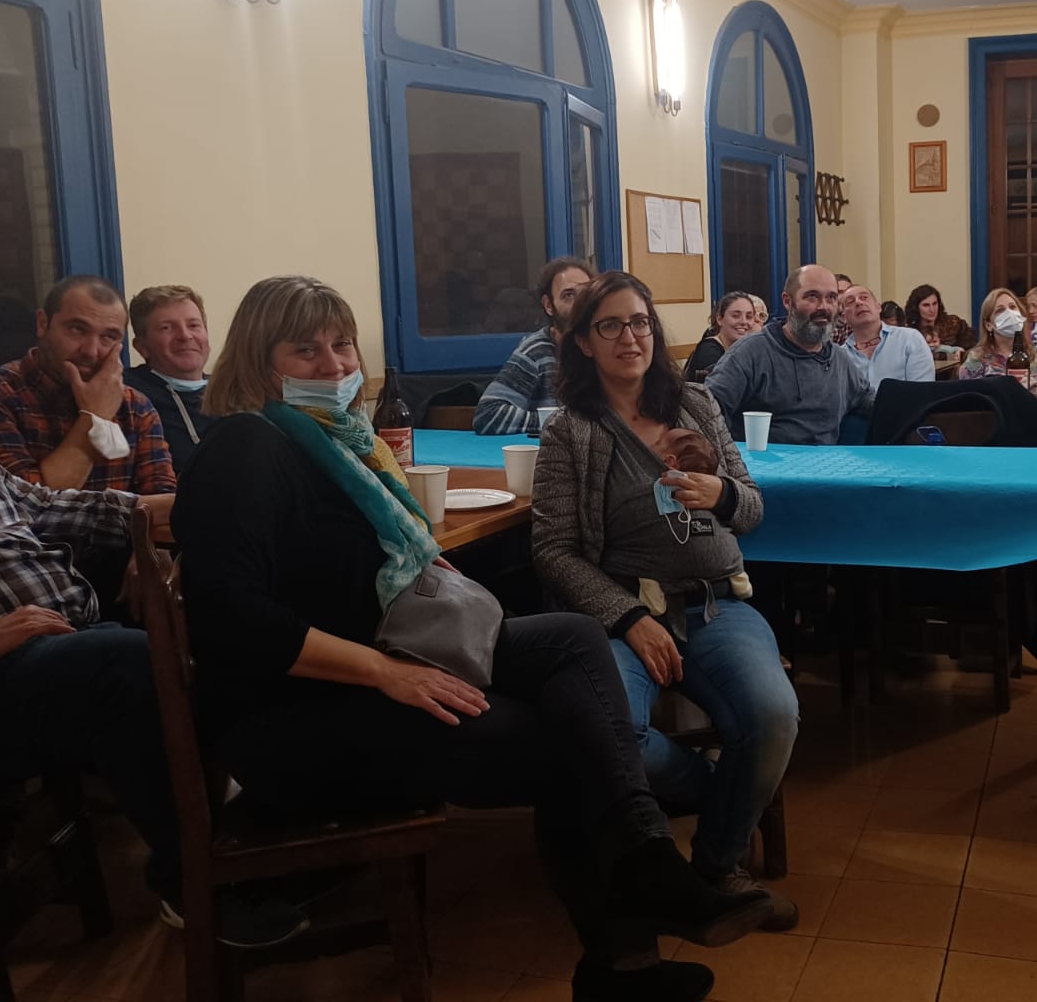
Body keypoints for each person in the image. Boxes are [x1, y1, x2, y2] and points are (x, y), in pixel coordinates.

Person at [174, 275, 770, 1000]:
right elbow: (230, 622)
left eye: (341, 345)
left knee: (575, 642)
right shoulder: (245, 448)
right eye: (305, 351)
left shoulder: (336, 444)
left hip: (383, 654)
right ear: (256, 360)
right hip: (297, 712)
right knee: (564, 738)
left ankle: (648, 855)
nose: (333, 366)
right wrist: (386, 673)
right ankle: (624, 960)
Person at [532, 270, 800, 931]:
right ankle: (723, 792)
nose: (631, 336)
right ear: (584, 344)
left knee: (772, 715)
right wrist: (628, 619)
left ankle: (716, 864)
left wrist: (723, 494)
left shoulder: (697, 404)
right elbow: (554, 550)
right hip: (627, 618)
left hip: (717, 605)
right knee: (617, 736)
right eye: (611, 325)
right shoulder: (571, 431)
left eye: (641, 322)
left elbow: (753, 509)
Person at [0, 447, 308, 947]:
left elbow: (47, 507)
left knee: (221, 617)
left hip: (62, 637)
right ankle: (193, 886)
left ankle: (274, 833)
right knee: (125, 664)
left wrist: (195, 508)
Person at [0, 275, 175, 496]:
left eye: (108, 337)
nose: (91, 351)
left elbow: (162, 512)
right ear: (42, 324)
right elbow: (22, 509)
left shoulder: (137, 408)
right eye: (77, 329)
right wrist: (95, 419)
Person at [705, 265, 875, 446]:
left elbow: (868, 401)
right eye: (812, 296)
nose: (823, 307)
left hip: (827, 468)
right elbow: (707, 411)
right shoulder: (750, 353)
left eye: (831, 298)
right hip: (762, 469)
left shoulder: (840, 360)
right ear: (787, 301)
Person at [474, 257, 594, 436]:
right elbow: (488, 415)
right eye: (568, 295)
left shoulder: (609, 346)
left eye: (586, 294)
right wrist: (561, 423)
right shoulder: (537, 351)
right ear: (549, 306)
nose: (579, 304)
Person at [123, 284, 221, 472]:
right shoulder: (126, 392)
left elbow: (293, 392)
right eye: (167, 328)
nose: (185, 336)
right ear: (141, 346)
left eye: (194, 325)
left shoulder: (234, 386)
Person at [960, 289, 1037, 398]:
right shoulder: (976, 358)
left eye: (1013, 307)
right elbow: (967, 401)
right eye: (1000, 310)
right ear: (988, 325)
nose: (1009, 313)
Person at [839, 284, 933, 388]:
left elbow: (922, 392)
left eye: (864, 297)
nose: (858, 302)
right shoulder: (840, 357)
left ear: (878, 307)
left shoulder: (910, 339)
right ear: (844, 318)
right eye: (850, 301)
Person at [683, 292, 757, 383]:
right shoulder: (709, 350)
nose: (744, 321)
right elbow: (729, 386)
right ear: (719, 319)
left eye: (749, 317)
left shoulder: (746, 349)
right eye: (736, 316)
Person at [904, 284, 973, 351]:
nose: (932, 309)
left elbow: (973, 350)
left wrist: (962, 353)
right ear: (916, 307)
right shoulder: (910, 331)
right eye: (926, 305)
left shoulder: (954, 324)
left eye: (934, 304)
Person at [831, 273, 854, 346]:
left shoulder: (856, 323)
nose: (845, 296)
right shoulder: (821, 323)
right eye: (839, 292)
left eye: (848, 292)